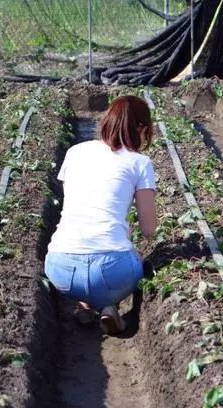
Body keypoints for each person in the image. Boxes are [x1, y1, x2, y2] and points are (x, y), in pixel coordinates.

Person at [44, 95, 157, 335]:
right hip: (113, 274)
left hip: (61, 269)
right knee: (132, 258)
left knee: (91, 254)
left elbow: (74, 206)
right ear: (141, 129)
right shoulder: (140, 163)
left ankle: (85, 304)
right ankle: (108, 306)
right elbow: (148, 230)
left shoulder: (75, 152)